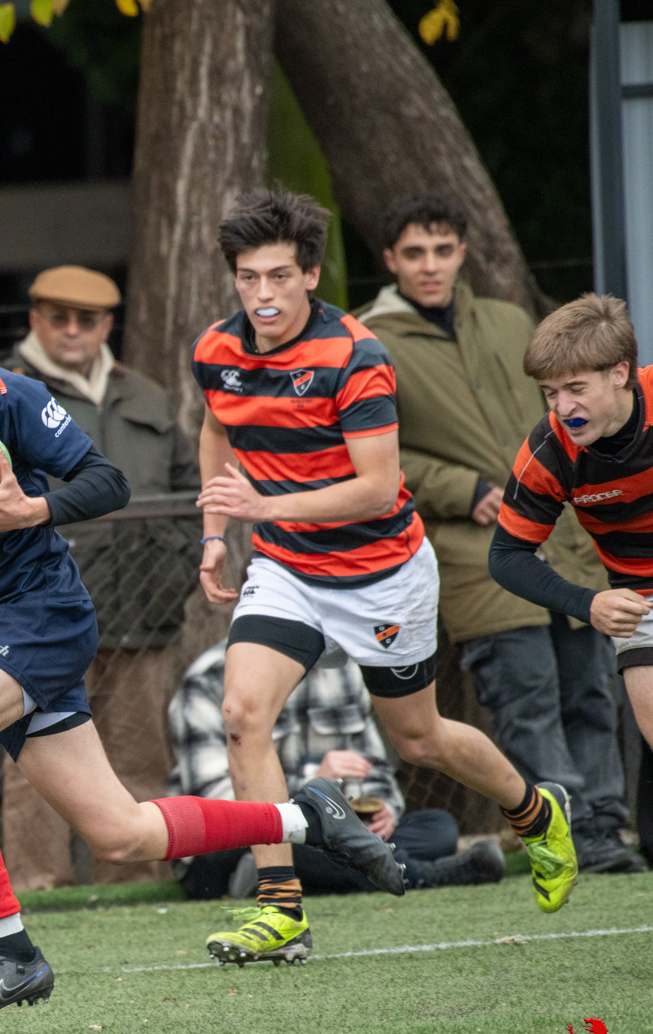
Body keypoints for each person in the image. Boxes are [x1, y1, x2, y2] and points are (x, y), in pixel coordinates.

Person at [0, 233, 402, 1021]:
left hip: (41, 610)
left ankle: (12, 953)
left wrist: (26, 508)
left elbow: (106, 481)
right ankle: (312, 816)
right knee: (122, 834)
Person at [191, 188, 577, 967]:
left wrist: (265, 502)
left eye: (277, 277)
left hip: (382, 574)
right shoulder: (216, 351)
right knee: (242, 714)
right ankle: (280, 911)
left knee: (419, 736)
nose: (261, 295)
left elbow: (375, 485)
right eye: (246, 278)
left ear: (309, 275)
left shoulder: (356, 354)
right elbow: (215, 427)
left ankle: (537, 814)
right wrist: (215, 532)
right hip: (289, 568)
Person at [358, 194, 642, 875]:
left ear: (462, 253)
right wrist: (468, 491)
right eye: (415, 253)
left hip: (564, 535)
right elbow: (373, 452)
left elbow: (568, 424)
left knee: (592, 693)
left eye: (444, 249)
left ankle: (607, 825)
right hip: (467, 550)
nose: (431, 266)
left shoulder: (511, 320)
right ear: (391, 260)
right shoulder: (368, 340)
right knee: (527, 698)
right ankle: (564, 829)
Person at [0, 265, 200, 885]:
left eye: (87, 319)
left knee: (138, 755)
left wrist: (175, 568)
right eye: (58, 317)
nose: (73, 331)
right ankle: (37, 888)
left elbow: (190, 491)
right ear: (35, 320)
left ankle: (136, 884)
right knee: (37, 763)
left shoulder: (147, 395)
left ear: (108, 324)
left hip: (144, 608)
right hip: (45, 610)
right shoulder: (3, 390)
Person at [490, 294, 653, 876]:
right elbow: (507, 555)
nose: (563, 408)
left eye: (576, 389)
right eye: (550, 393)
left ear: (620, 374)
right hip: (640, 600)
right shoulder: (550, 449)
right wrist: (588, 602)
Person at [168, 639, 507, 898]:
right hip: (230, 840)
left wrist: (383, 807)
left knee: (439, 828)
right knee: (290, 847)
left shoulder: (340, 668)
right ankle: (415, 875)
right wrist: (311, 785)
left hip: (328, 831)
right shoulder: (207, 679)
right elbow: (213, 800)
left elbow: (372, 766)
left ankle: (281, 877)